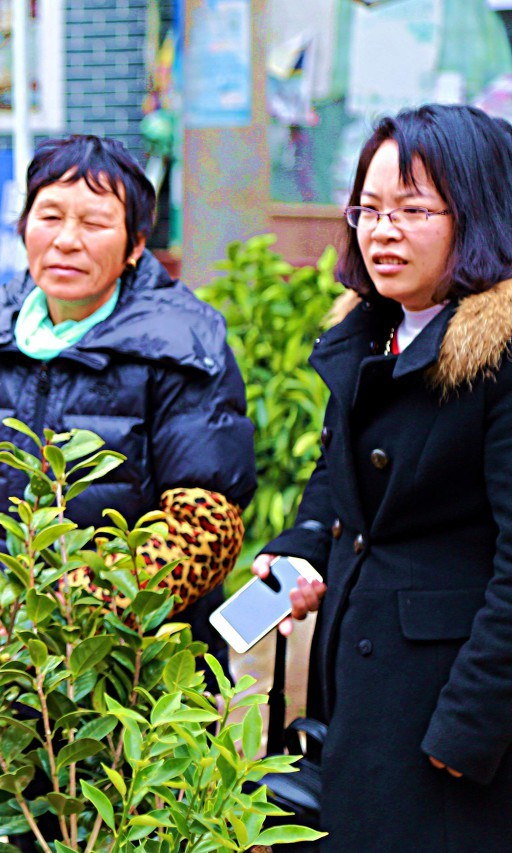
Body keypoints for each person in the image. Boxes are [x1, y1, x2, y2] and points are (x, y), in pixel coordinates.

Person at [0, 134, 256, 848]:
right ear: (23, 229)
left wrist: (78, 608)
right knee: (29, 829)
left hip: (142, 678)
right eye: (50, 215)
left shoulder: (182, 343)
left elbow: (209, 520)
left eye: (95, 222)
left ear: (135, 245)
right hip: (17, 676)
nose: (67, 240)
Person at [254, 104, 512, 850]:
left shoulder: (497, 358)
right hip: (359, 690)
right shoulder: (375, 332)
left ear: (479, 213)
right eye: (368, 208)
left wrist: (468, 727)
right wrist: (300, 545)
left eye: (412, 208)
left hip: (448, 716)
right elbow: (337, 486)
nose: (382, 230)